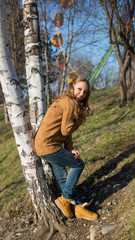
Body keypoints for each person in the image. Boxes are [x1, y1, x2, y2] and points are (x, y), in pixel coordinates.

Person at [35, 76, 98, 221]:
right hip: (49, 146)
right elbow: (66, 130)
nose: (81, 93)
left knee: (63, 179)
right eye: (79, 89)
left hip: (44, 146)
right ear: (72, 87)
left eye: (85, 92)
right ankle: (65, 200)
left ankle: (78, 208)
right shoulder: (70, 103)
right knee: (79, 164)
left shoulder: (67, 100)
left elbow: (65, 132)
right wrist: (81, 118)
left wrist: (70, 149)